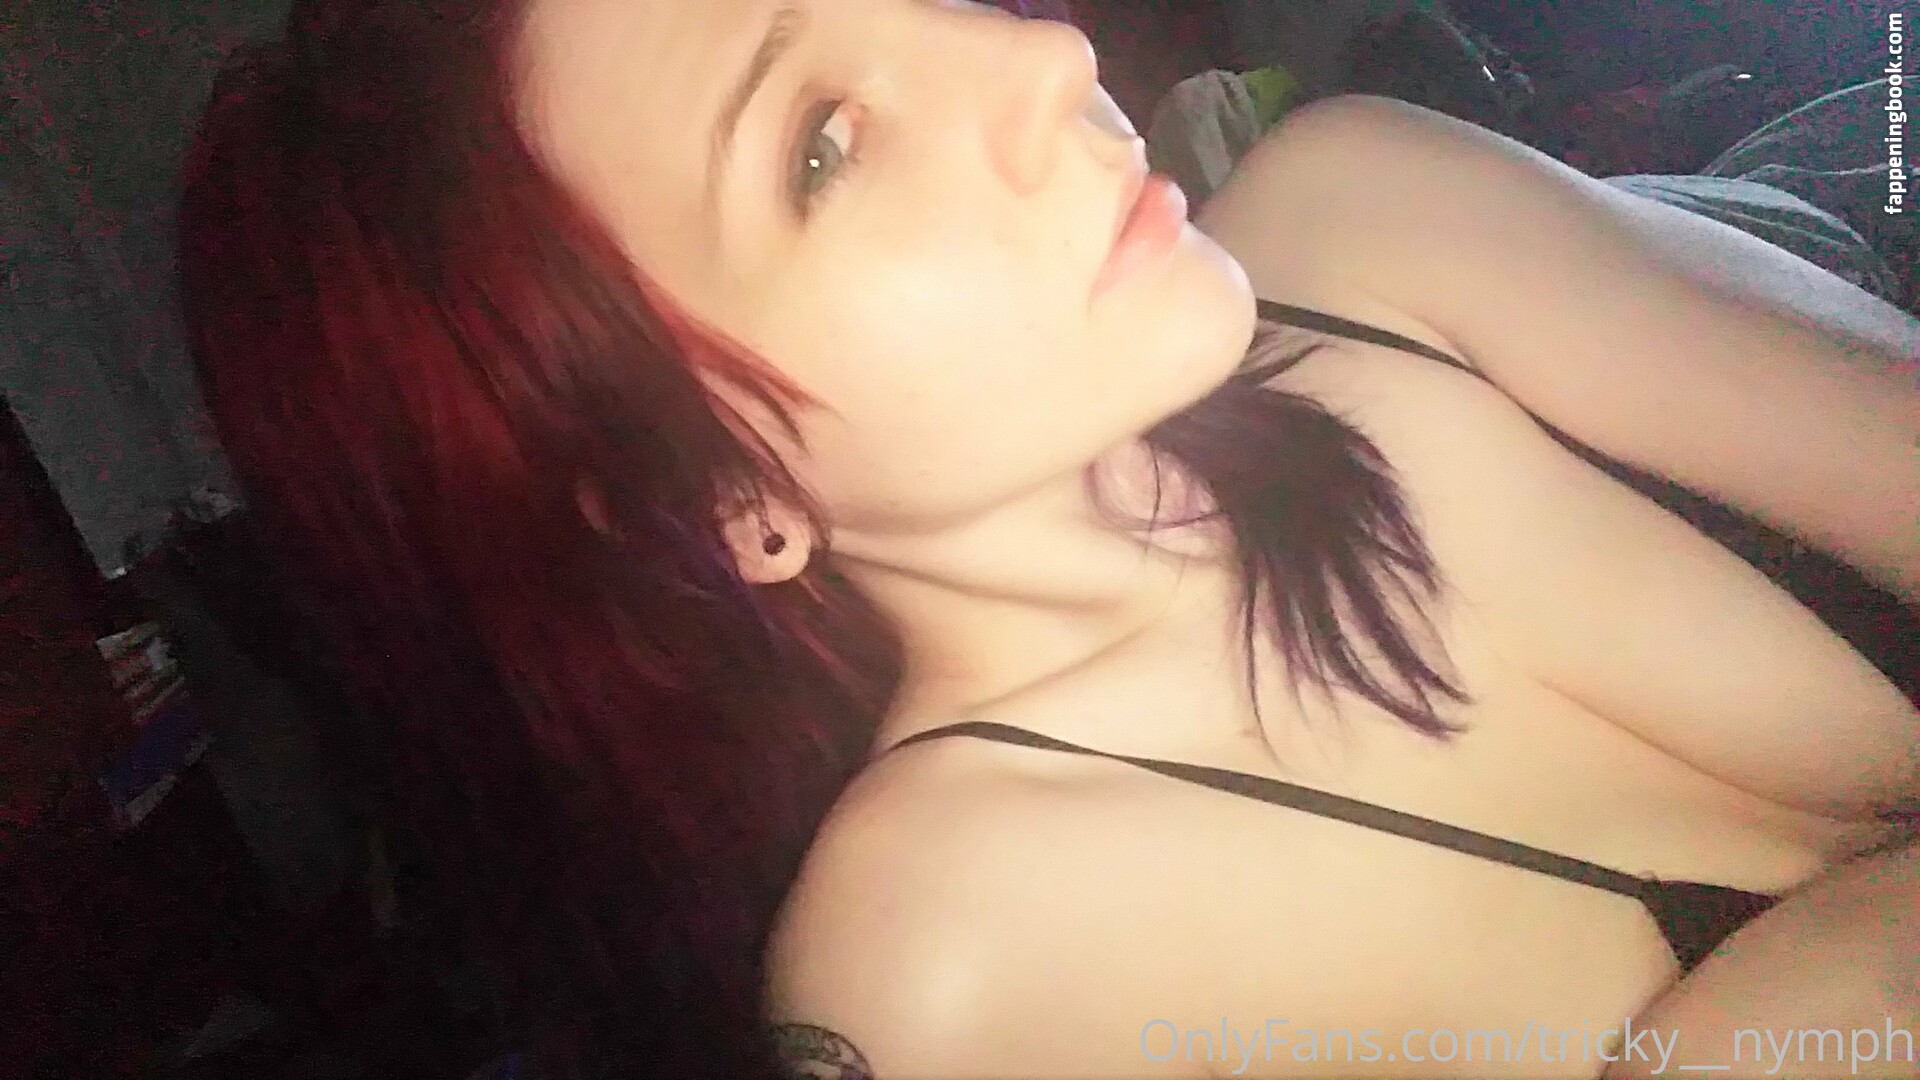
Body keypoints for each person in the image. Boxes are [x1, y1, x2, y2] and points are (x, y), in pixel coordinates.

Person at [176, 1, 1920, 1077]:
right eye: (825, 145)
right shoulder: (952, 981)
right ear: (713, 501)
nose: (1047, 56)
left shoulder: (1373, 213)